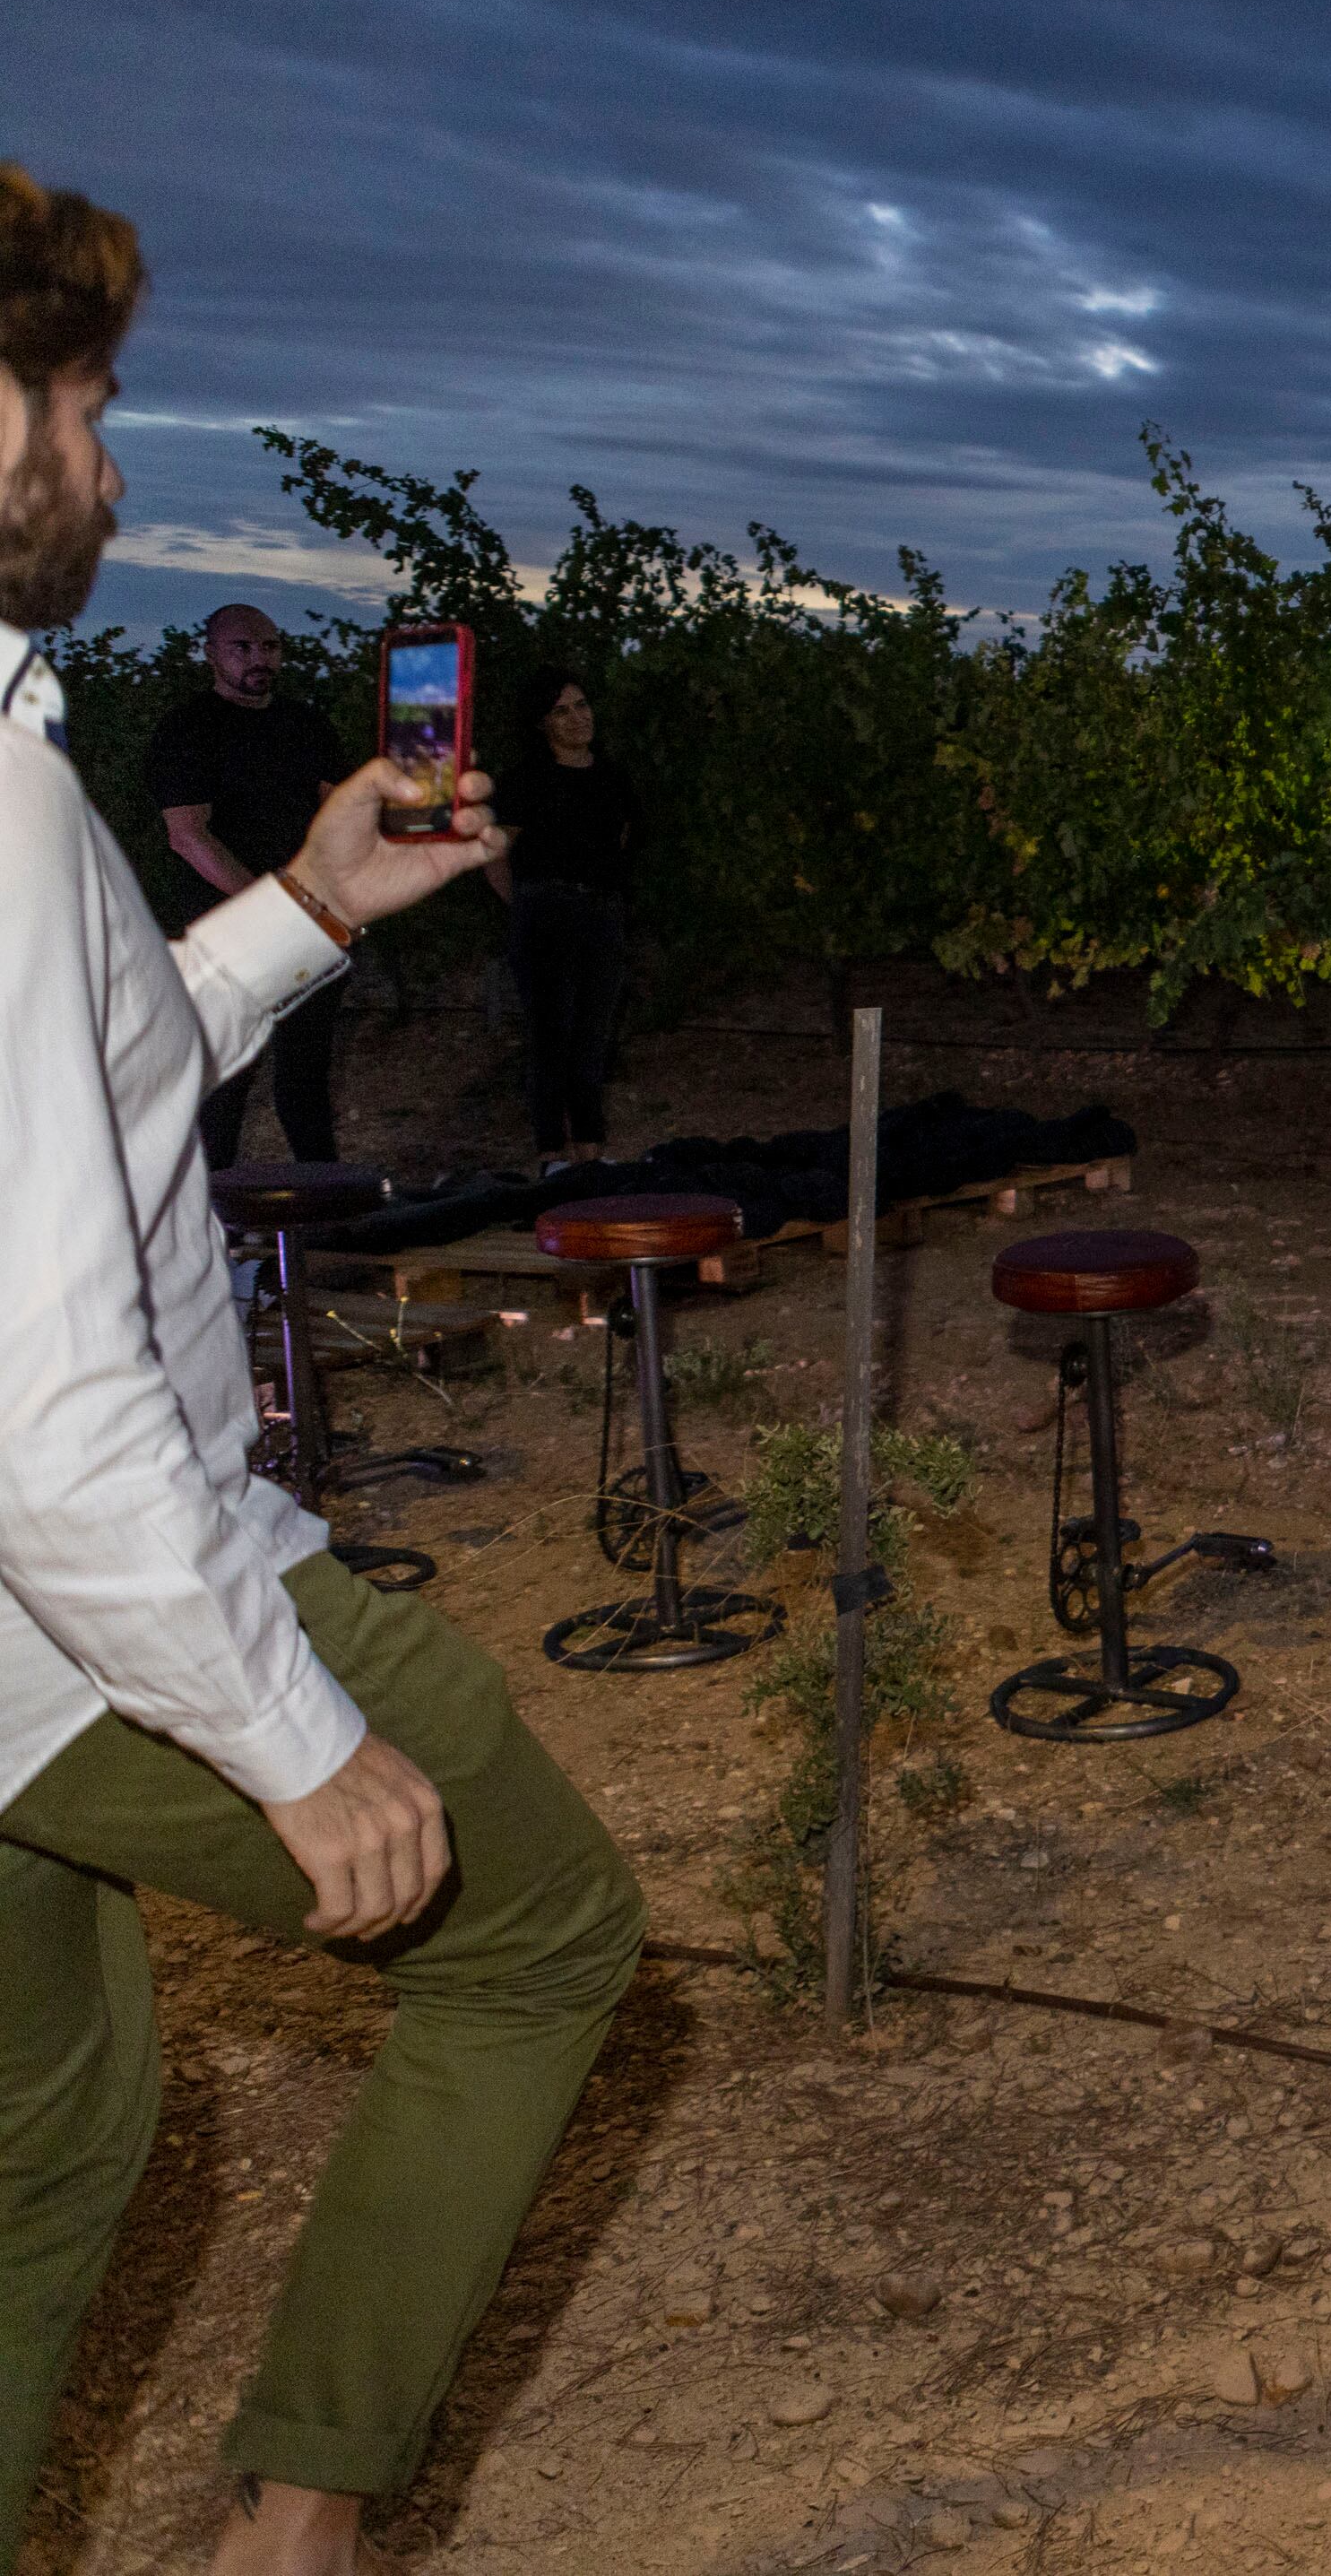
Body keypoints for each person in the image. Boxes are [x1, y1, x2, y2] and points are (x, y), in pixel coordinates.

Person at [0, 163, 646, 2576]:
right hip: (71, 1619)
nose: (106, 459)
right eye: (71, 398)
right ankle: (299, 2536)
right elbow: (40, 1406)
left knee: (43, 2138)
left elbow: (65, 1080)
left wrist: (296, 909)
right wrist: (287, 1736)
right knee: (549, 1923)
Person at [149, 600, 354, 1169]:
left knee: (306, 1078)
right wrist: (275, 906)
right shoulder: (188, 730)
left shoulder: (305, 725)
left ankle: (327, 1219)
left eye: (269, 646)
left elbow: (337, 816)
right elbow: (188, 836)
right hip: (228, 931)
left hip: (309, 924)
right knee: (225, 1085)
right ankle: (215, 1234)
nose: (259, 659)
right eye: (243, 647)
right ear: (211, 653)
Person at [486, 660, 642, 1174]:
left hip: (601, 914)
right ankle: (551, 1156)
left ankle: (591, 1153)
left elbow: (621, 845)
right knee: (550, 1036)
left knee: (594, 1037)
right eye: (561, 710)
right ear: (542, 723)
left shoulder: (614, 778)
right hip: (545, 913)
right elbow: (494, 853)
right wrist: (527, 908)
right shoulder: (525, 781)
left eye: (581, 705)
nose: (577, 718)